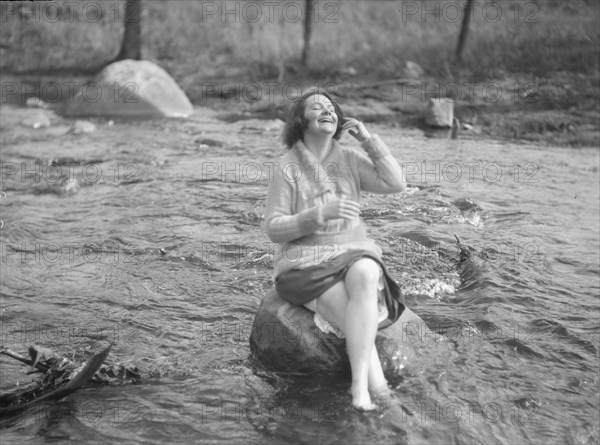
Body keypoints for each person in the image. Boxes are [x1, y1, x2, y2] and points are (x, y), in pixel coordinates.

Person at [264, 89, 407, 411]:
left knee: (368, 270)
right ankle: (374, 390)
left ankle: (360, 391)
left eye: (331, 107)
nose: (327, 110)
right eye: (317, 107)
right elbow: (273, 228)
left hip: (352, 253)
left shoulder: (351, 160)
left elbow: (396, 184)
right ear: (301, 120)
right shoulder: (287, 167)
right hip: (305, 265)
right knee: (355, 318)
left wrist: (369, 141)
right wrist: (317, 216)